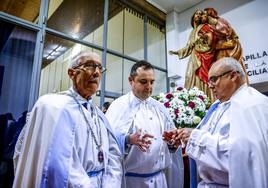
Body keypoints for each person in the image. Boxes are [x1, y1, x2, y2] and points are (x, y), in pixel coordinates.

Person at [13, 51, 122, 188]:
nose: (97, 73)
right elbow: (57, 165)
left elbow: (113, 155)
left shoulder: (98, 114)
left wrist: (111, 183)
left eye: (100, 68)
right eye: (90, 66)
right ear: (72, 73)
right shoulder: (52, 107)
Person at [174, 57, 268, 187]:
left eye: (213, 79)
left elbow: (242, 155)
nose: (210, 85)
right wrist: (185, 137)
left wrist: (195, 138)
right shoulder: (218, 106)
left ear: (233, 75)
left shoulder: (251, 105)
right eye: (209, 81)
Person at [105, 60, 184, 188]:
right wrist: (128, 139)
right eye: (143, 82)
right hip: (132, 181)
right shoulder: (118, 106)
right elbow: (107, 141)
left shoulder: (159, 108)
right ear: (131, 80)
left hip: (160, 179)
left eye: (151, 82)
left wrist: (172, 143)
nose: (149, 86)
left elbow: (170, 143)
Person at [169, 10, 217, 100]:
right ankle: (192, 100)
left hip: (203, 56)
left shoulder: (205, 27)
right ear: (193, 17)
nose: (198, 15)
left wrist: (203, 38)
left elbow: (210, 41)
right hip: (194, 56)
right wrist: (177, 52)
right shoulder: (193, 32)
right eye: (197, 14)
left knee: (202, 78)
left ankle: (206, 99)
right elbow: (189, 46)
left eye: (200, 14)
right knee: (189, 76)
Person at [204, 7, 249, 84]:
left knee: (226, 68)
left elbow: (226, 32)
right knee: (221, 71)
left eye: (205, 14)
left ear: (209, 14)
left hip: (225, 49)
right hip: (219, 50)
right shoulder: (209, 25)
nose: (203, 17)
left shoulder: (218, 22)